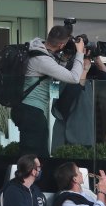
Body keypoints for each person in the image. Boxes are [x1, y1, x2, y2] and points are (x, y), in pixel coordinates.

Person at [11, 25, 85, 157]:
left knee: (35, 154)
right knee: (34, 156)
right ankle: (24, 177)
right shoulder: (42, 60)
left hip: (28, 110)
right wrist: (80, 53)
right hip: (31, 112)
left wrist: (65, 59)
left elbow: (53, 86)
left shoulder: (38, 50)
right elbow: (74, 78)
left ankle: (29, 175)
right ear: (61, 45)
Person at [51, 53, 106, 151]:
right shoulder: (60, 80)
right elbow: (67, 98)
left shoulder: (88, 83)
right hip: (68, 143)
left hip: (84, 140)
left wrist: (97, 59)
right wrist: (83, 69)